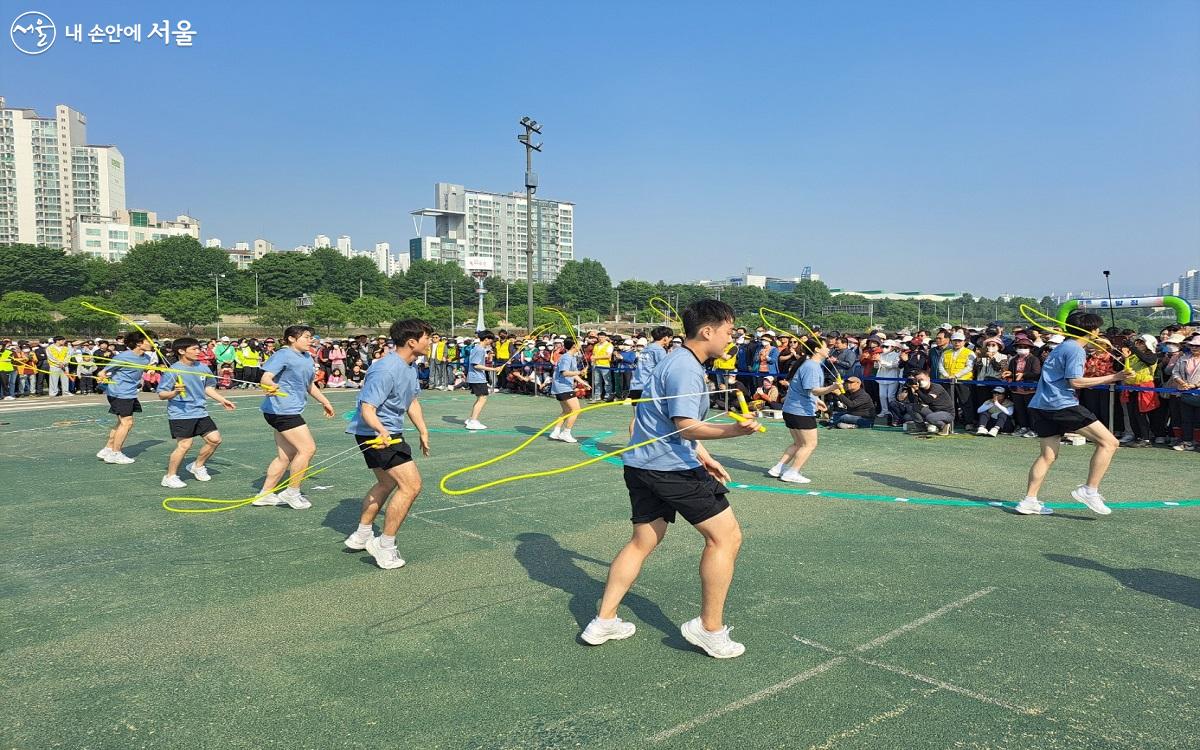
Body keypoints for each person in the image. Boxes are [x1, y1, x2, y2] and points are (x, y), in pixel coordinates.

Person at [582, 300, 760, 659]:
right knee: (726, 538)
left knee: (642, 541)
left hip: (643, 465)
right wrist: (734, 432)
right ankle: (709, 629)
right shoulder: (686, 368)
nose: (731, 339)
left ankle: (604, 620)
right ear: (708, 331)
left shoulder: (676, 360)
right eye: (728, 332)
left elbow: (664, 421)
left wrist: (704, 455)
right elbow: (685, 425)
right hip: (670, 470)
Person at [1018, 311, 1131, 516]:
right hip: (1061, 405)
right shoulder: (1076, 350)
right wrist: (1114, 376)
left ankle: (1029, 500)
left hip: (1041, 405)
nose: (1099, 332)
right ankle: (1089, 490)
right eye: (1098, 328)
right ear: (1091, 330)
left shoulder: (1063, 346)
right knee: (1110, 443)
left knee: (1047, 456)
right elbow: (1076, 382)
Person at [342, 319, 433, 570]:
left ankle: (361, 534)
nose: (431, 342)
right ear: (412, 342)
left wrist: (423, 431)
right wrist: (380, 430)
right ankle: (385, 544)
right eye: (427, 337)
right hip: (378, 435)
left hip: (387, 432)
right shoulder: (385, 369)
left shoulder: (410, 366)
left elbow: (412, 401)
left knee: (386, 482)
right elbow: (367, 407)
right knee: (411, 486)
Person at [251, 325, 336, 510]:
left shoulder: (306, 357)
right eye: (306, 337)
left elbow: (309, 385)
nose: (310, 340)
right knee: (307, 449)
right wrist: (269, 386)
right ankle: (292, 492)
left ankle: (264, 495)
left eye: (311, 337)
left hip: (287, 410)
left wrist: (325, 401)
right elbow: (266, 377)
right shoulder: (283, 354)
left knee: (285, 456)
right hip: (282, 411)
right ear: (291, 338)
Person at [156, 337, 237, 488]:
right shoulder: (172, 371)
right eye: (194, 349)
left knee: (215, 439)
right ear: (181, 351)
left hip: (200, 411)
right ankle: (170, 476)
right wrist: (174, 392)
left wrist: (222, 400)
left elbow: (208, 388)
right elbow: (161, 394)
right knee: (185, 445)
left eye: (199, 348)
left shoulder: (203, 368)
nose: (198, 351)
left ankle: (197, 466)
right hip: (181, 413)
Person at [769, 338, 843, 483]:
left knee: (798, 443)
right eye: (825, 346)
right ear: (816, 349)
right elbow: (814, 390)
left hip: (791, 410)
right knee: (810, 444)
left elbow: (804, 389)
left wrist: (817, 401)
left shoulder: (809, 364)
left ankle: (778, 468)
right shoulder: (812, 366)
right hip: (800, 411)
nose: (828, 349)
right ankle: (792, 472)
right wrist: (833, 388)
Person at [96, 331, 157, 465]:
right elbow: (103, 371)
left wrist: (150, 370)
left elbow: (142, 368)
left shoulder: (146, 357)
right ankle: (116, 453)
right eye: (149, 340)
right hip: (119, 392)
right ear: (139, 343)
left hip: (130, 392)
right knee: (127, 422)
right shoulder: (123, 357)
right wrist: (102, 375)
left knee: (121, 423)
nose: (153, 343)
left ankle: (108, 449)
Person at [549, 337, 589, 444]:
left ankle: (556, 431)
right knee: (576, 410)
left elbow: (573, 373)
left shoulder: (572, 357)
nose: (580, 345)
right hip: (563, 387)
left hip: (562, 387)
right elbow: (565, 373)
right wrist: (580, 372)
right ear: (574, 345)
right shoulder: (566, 357)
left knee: (567, 411)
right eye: (578, 343)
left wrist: (583, 382)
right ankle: (566, 433)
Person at [464, 331, 503, 430]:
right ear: (486, 339)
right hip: (477, 378)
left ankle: (471, 419)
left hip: (476, 377)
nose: (491, 342)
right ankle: (473, 421)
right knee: (483, 398)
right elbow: (475, 365)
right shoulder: (479, 349)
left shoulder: (477, 348)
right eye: (490, 339)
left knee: (480, 398)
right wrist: (494, 369)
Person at [1169, 334, 1200, 451]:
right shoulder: (1183, 358)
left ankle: (1196, 442)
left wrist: (1195, 385)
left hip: (1197, 392)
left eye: (1197, 346)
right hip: (1184, 392)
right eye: (1192, 345)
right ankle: (1187, 441)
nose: (1194, 348)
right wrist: (1182, 383)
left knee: (1198, 419)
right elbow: (1175, 372)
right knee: (1186, 418)